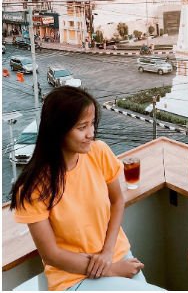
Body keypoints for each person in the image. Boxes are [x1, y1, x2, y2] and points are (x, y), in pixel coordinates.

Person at [10, 86, 163, 291]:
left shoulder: (98, 152)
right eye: (82, 127)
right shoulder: (33, 188)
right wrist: (111, 270)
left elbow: (117, 201)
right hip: (72, 276)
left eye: (92, 124)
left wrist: (108, 254)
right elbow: (51, 254)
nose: (91, 133)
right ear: (58, 130)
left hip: (116, 255)